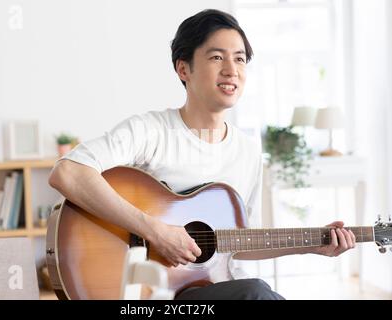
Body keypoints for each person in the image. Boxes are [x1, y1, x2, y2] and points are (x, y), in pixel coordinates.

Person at [48, 9, 356, 300]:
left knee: (256, 292)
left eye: (240, 59)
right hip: (156, 294)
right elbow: (68, 172)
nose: (231, 70)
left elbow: (241, 242)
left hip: (216, 289)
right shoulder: (149, 131)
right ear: (184, 69)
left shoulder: (247, 151)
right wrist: (155, 231)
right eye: (217, 57)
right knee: (256, 293)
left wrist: (310, 245)